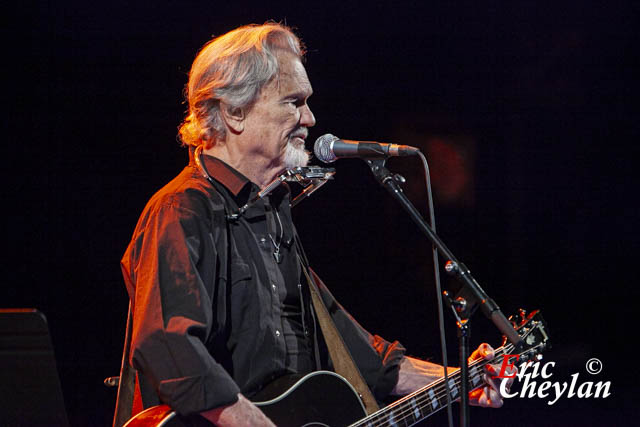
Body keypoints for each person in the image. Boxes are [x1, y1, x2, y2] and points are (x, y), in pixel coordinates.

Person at [120, 23, 513, 426]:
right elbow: (167, 345)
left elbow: (355, 352)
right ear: (233, 111)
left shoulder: (271, 215)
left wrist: (464, 379)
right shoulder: (182, 210)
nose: (309, 118)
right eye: (294, 102)